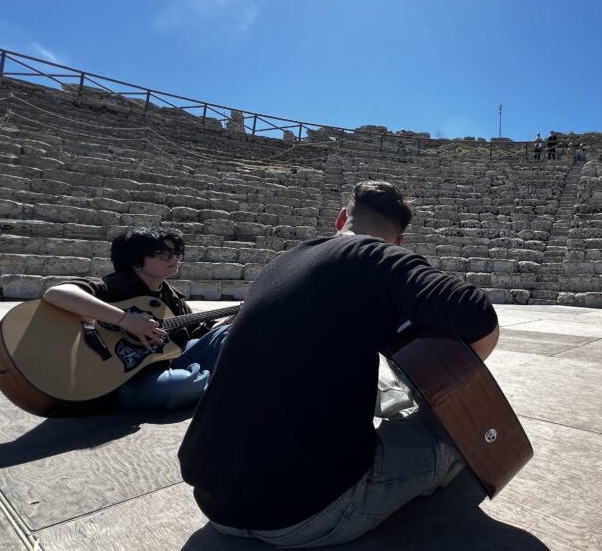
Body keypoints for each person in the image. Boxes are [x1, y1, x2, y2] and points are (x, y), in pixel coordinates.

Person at [178, 181, 500, 548]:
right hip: (305, 514)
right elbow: (478, 316)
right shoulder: (382, 259)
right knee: (459, 438)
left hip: (212, 497)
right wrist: (450, 392)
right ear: (397, 241)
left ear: (341, 217)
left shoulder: (284, 260)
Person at [41, 227, 231, 411]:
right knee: (185, 385)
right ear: (135, 261)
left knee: (234, 333)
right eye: (163, 254)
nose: (174, 259)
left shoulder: (171, 296)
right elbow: (56, 293)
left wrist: (230, 321)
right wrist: (126, 320)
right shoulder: (112, 286)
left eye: (176, 254)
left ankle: (212, 379)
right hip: (124, 377)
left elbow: (195, 335)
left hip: (164, 359)